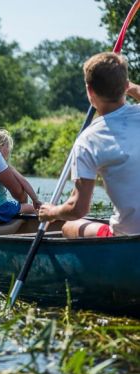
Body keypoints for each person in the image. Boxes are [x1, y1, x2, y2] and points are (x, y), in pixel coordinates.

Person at [39, 52, 140, 238]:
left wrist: (51, 212)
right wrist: (129, 86)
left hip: (129, 236)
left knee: (69, 226)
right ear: (125, 86)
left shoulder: (88, 139)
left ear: (89, 90)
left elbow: (77, 209)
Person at [0, 129, 41, 222]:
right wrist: (35, 200)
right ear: (0, 147)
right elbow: (23, 182)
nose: (9, 150)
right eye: (8, 146)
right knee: (31, 208)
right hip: (1, 207)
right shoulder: (3, 165)